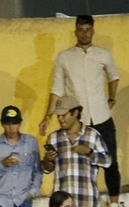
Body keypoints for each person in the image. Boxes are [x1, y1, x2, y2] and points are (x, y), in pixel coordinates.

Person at [42, 15, 120, 197]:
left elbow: (113, 76)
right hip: (78, 120)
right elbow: (56, 89)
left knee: (110, 162)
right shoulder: (64, 57)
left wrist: (111, 98)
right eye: (81, 30)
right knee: (78, 162)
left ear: (93, 31)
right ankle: (78, 202)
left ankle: (115, 205)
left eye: (88, 30)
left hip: (101, 116)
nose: (84, 34)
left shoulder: (103, 54)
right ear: (75, 32)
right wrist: (48, 116)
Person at [41, 96, 110, 207]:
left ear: (75, 113)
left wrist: (89, 152)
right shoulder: (54, 137)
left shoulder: (92, 135)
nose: (60, 119)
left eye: (63, 115)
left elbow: (107, 161)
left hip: (87, 202)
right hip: (62, 205)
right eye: (58, 116)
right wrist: (48, 160)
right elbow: (47, 169)